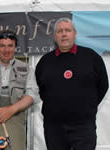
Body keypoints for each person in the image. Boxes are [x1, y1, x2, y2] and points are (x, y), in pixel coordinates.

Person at [35, 17, 109, 150]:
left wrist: (87, 106)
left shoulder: (91, 57)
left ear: (74, 34)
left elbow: (103, 85)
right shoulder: (45, 61)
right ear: (54, 36)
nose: (64, 34)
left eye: (67, 30)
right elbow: (41, 89)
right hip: (54, 127)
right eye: (60, 31)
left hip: (83, 125)